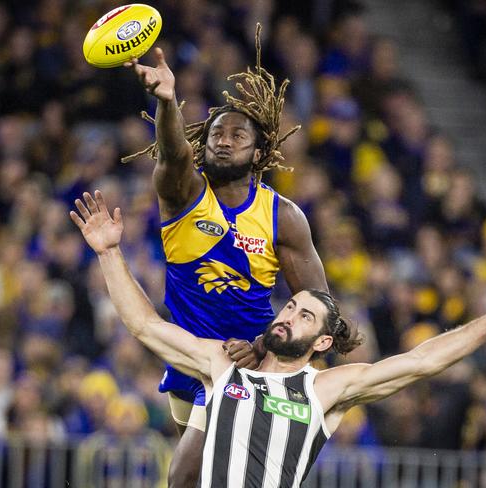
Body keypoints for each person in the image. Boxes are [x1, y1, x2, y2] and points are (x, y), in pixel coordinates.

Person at [70, 190, 486, 488]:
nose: (290, 315)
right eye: (291, 306)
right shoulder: (226, 363)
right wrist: (110, 253)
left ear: (321, 342)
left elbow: (421, 361)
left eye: (305, 317)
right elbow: (146, 327)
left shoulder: (327, 389)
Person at [122, 25, 327, 486]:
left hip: (247, 365)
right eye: (217, 132)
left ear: (259, 154)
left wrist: (261, 346)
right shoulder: (182, 194)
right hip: (186, 358)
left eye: (238, 136)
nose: (223, 139)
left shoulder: (283, 217)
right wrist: (168, 102)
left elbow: (317, 307)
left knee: (184, 477)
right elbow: (172, 156)